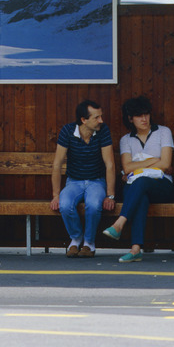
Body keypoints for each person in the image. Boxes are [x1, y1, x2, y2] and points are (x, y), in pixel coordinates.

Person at [101, 96, 174, 262]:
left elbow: (165, 164)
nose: (144, 119)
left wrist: (138, 165)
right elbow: (127, 168)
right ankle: (135, 249)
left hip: (162, 185)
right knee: (140, 194)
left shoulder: (163, 132)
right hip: (138, 187)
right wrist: (154, 160)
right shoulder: (126, 140)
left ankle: (119, 223)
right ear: (130, 119)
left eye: (146, 114)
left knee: (140, 182)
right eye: (139, 116)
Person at [49, 99, 116, 258]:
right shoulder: (68, 131)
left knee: (93, 205)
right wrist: (56, 195)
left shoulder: (103, 130)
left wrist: (110, 195)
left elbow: (110, 164)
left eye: (101, 116)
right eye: (96, 117)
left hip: (96, 181)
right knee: (65, 205)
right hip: (74, 181)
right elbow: (57, 164)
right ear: (83, 120)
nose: (101, 120)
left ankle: (89, 243)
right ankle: (76, 239)